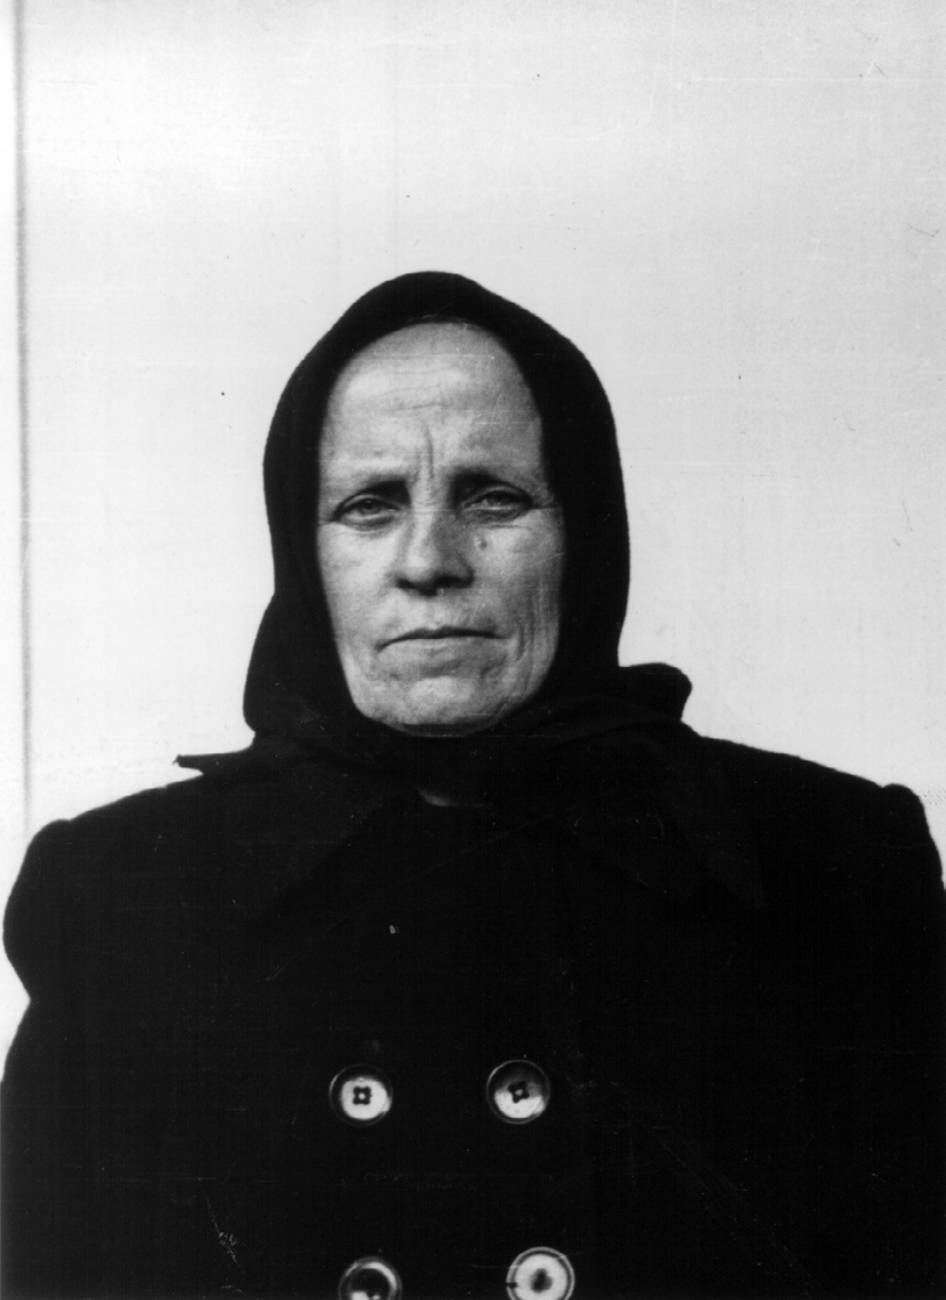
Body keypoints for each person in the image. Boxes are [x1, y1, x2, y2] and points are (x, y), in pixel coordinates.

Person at [2, 271, 943, 1300]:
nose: (429, 560)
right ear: (303, 555)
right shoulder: (123, 894)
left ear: (584, 534)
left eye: (493, 497)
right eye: (367, 507)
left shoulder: (834, 864)